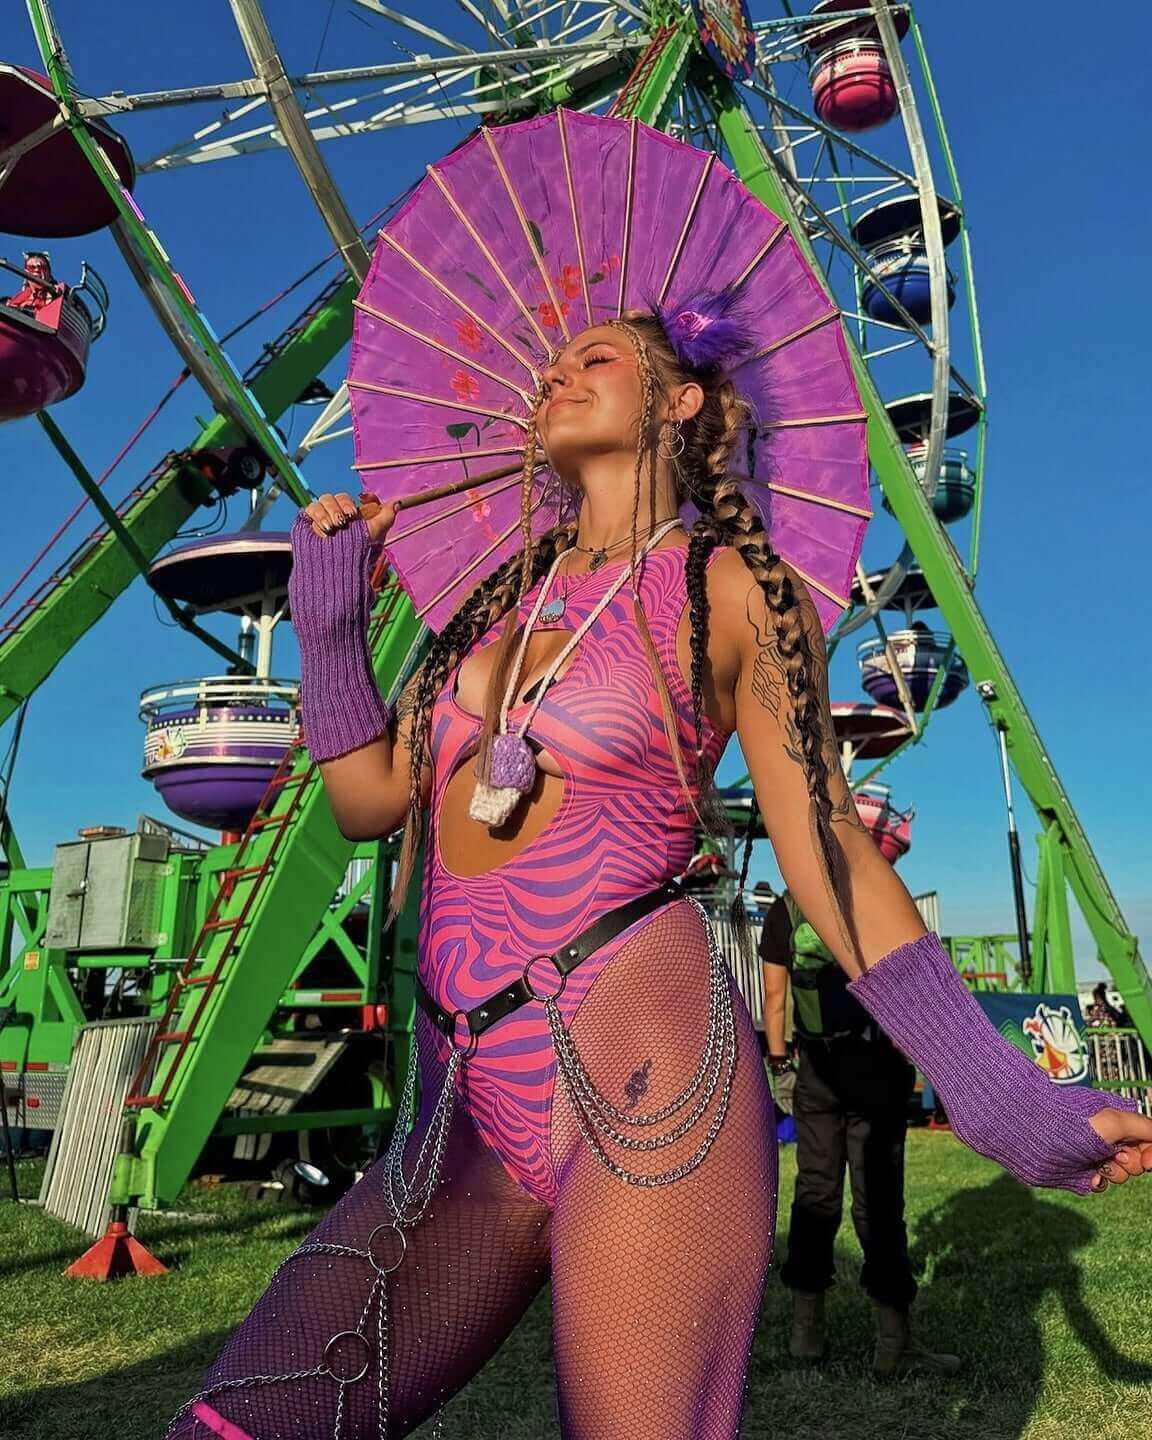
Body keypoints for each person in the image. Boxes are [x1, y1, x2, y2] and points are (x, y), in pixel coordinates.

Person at [167, 304, 1152, 1440]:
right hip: (458, 1114)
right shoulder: (492, 602)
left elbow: (828, 845)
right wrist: (330, 622)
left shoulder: (733, 587)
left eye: (596, 359)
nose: (559, 376)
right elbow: (365, 804)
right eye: (552, 368)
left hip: (649, 1071)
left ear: (679, 402)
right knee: (237, 1423)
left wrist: (1001, 1097)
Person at [762, 885, 959, 1376]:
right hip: (875, 1066)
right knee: (879, 1201)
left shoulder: (787, 908)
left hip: (816, 1069)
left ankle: (806, 1333)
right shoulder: (869, 893)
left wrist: (781, 1063)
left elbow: (774, 994)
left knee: (815, 1192)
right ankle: (894, 1342)